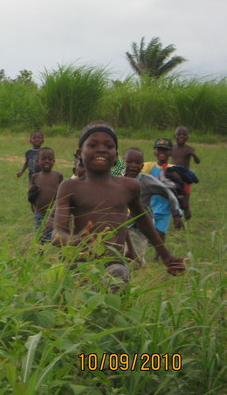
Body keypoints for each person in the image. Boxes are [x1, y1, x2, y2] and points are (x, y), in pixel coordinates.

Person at [53, 123, 185, 290]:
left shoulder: (129, 187)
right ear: (80, 153)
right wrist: (80, 242)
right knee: (75, 296)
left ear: (116, 154)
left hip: (114, 262)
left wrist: (166, 256)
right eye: (93, 145)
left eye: (108, 146)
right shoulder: (70, 187)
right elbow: (57, 235)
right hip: (79, 263)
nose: (101, 149)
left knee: (118, 275)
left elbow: (140, 220)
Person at [123, 147, 183, 266]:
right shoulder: (118, 179)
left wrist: (176, 214)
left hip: (139, 227)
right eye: (129, 162)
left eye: (137, 162)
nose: (133, 165)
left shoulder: (146, 181)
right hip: (121, 225)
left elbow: (168, 192)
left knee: (133, 261)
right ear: (123, 163)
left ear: (142, 165)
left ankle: (138, 267)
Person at [140, 138, 181, 242]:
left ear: (170, 153)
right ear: (155, 152)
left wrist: (177, 213)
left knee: (161, 234)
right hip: (150, 207)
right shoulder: (149, 166)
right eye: (159, 150)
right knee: (147, 233)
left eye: (165, 150)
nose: (162, 152)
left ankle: (157, 256)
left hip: (164, 209)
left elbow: (177, 191)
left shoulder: (173, 169)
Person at [28, 147, 63, 242]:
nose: (47, 161)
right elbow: (30, 193)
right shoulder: (35, 176)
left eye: (50, 159)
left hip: (53, 212)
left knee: (54, 232)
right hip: (39, 212)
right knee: (39, 233)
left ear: (54, 161)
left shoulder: (58, 176)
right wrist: (32, 188)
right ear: (37, 161)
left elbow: (62, 192)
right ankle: (40, 251)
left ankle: (52, 247)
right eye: (43, 159)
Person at [171, 125, 200, 219]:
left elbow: (198, 161)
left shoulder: (189, 149)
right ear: (174, 136)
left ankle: (187, 211)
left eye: (184, 134)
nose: (181, 136)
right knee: (174, 198)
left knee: (185, 201)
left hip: (185, 177)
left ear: (187, 137)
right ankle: (178, 219)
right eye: (178, 134)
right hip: (174, 176)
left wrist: (193, 154)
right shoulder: (172, 149)